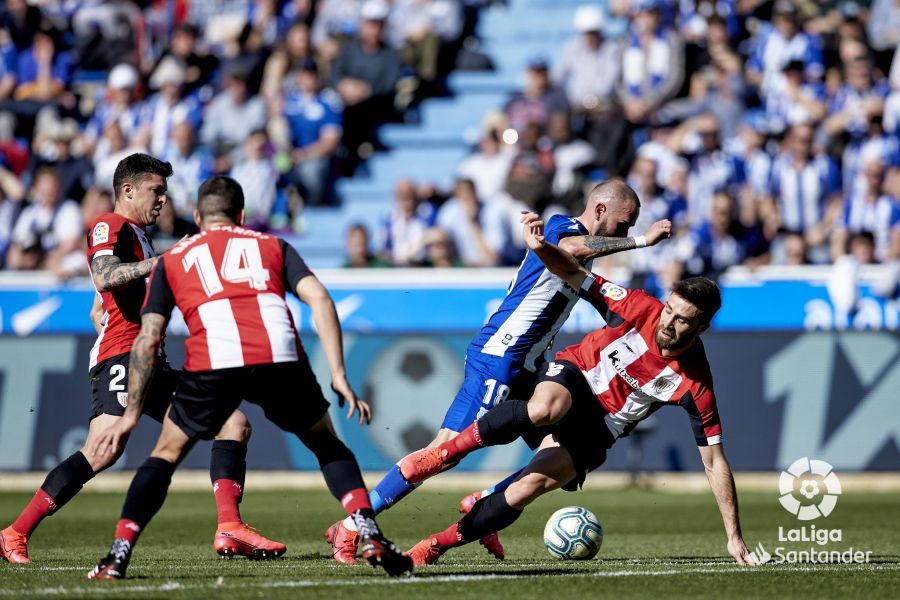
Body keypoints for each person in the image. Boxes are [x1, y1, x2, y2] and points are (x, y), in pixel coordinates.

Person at [325, 179, 672, 563]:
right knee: (443, 451)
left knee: (568, 457)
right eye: (624, 223)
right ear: (601, 210)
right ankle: (353, 525)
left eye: (631, 228)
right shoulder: (562, 227)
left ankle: (486, 503)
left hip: (528, 366)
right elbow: (572, 250)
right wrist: (642, 241)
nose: (625, 232)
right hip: (501, 356)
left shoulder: (582, 252)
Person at [86, 175, 412, 579]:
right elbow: (319, 298)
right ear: (241, 215)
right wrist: (339, 374)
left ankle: (118, 554)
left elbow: (148, 339)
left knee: (166, 455)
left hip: (214, 359)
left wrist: (131, 415)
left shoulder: (175, 259)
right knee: (327, 444)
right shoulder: (273, 245)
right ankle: (369, 532)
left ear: (197, 217)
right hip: (277, 354)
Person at [399, 211, 759, 567]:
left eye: (682, 320)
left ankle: (434, 546)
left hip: (602, 427)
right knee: (545, 409)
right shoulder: (637, 306)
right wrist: (541, 248)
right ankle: (445, 453)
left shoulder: (695, 383)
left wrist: (734, 536)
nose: (668, 322)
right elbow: (573, 272)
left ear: (701, 328)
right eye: (669, 310)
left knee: (526, 489)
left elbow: (714, 462)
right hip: (577, 375)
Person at [0, 154, 281, 565]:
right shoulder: (109, 224)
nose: (163, 199)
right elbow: (104, 275)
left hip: (151, 362)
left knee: (233, 424)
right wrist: (161, 263)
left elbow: (107, 297)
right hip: (121, 357)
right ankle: (14, 533)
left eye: (164, 192)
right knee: (102, 450)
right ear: (128, 190)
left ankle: (230, 526)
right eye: (156, 190)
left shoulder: (138, 235)